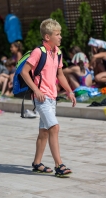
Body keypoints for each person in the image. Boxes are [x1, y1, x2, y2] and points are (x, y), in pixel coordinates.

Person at [21, 18, 76, 177]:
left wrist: (69, 91)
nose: (60, 37)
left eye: (60, 34)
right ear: (47, 37)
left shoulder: (57, 52)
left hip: (52, 97)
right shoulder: (39, 51)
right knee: (54, 127)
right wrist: (36, 91)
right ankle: (59, 165)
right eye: (57, 34)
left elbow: (60, 75)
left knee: (44, 131)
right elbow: (25, 72)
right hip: (41, 98)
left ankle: (37, 163)